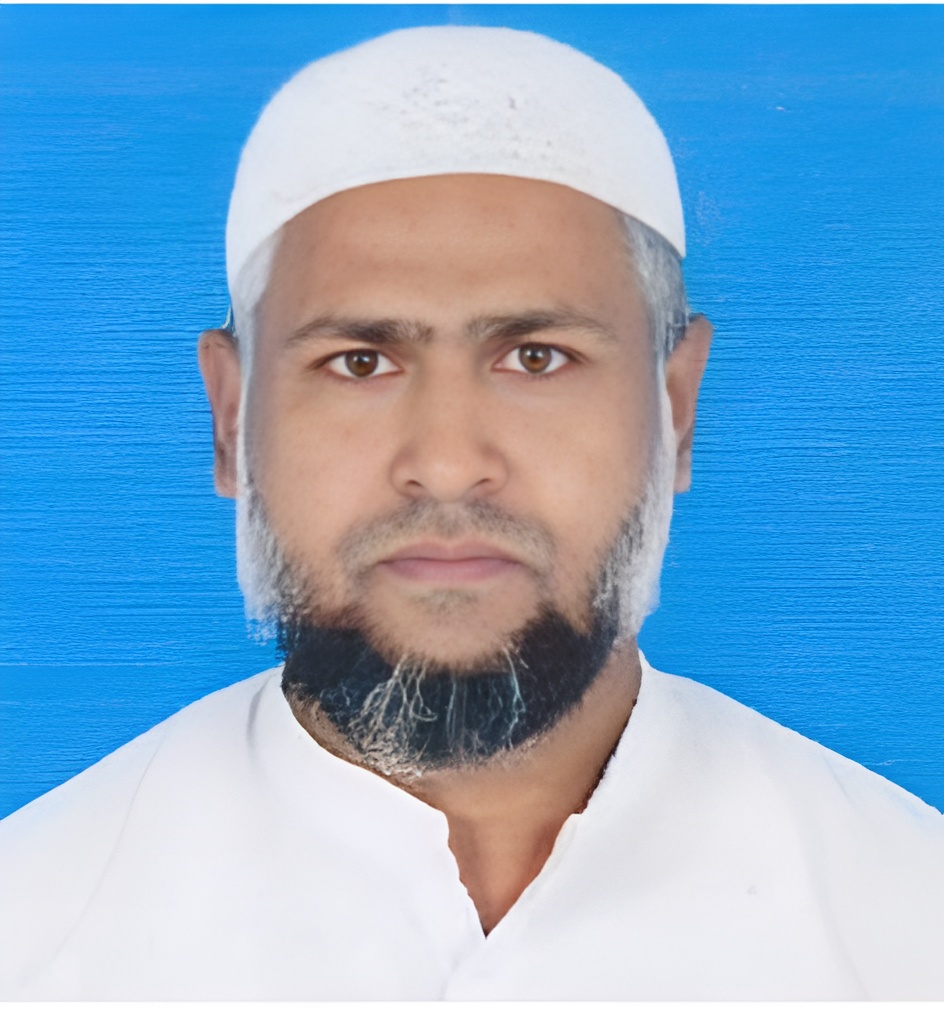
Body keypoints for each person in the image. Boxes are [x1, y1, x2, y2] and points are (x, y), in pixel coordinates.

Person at [1, 25, 941, 1002]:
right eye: (359, 362)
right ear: (231, 419)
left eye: (536, 358)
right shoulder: (29, 936)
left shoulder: (911, 933)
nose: (447, 466)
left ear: (675, 409)